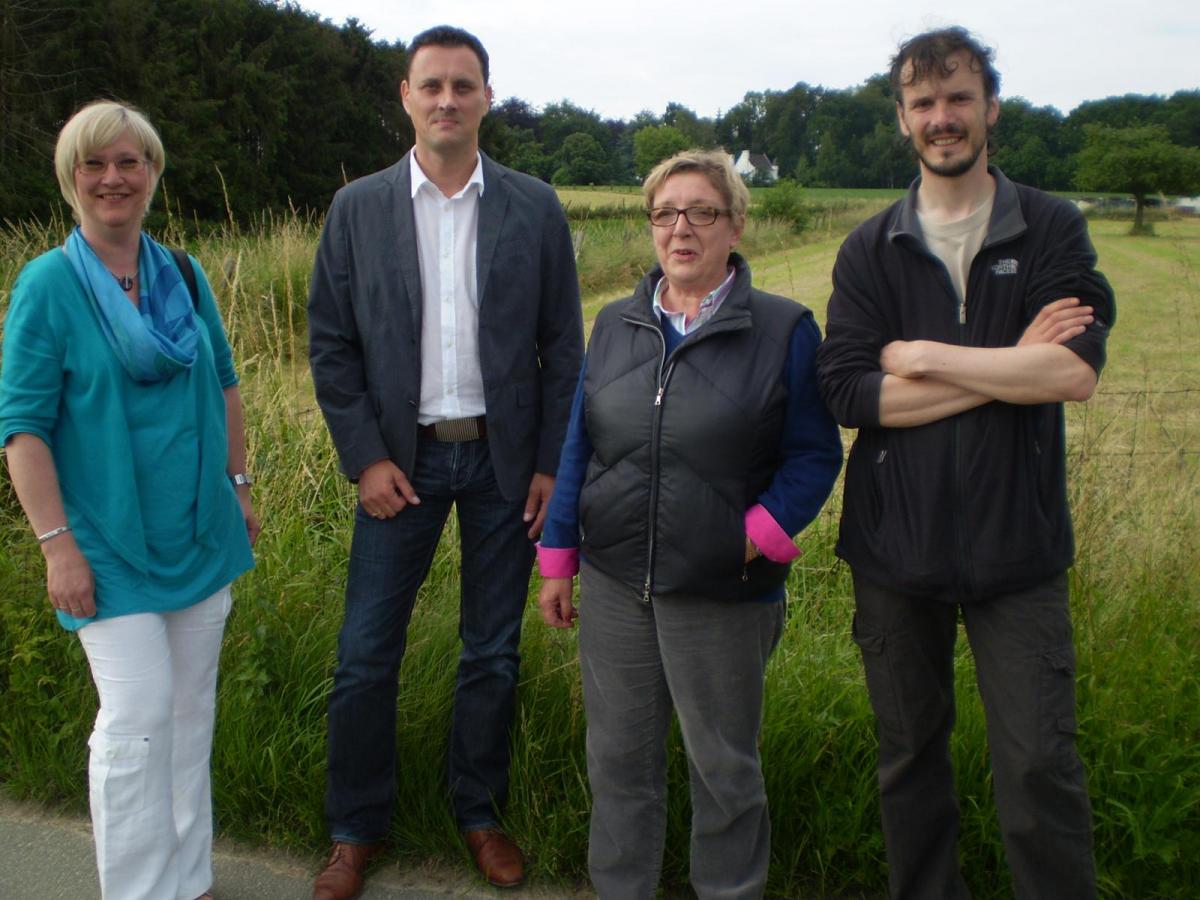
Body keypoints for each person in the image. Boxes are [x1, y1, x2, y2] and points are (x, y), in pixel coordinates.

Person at [815, 27, 1115, 900]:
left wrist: (921, 353)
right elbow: (849, 395)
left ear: (989, 107)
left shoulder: (1050, 225)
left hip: (1017, 550)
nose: (941, 118)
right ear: (903, 119)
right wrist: (1002, 366)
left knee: (1037, 769)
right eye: (923, 103)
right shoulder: (871, 248)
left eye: (957, 98)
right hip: (892, 552)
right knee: (909, 762)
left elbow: (1071, 372)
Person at [306, 24, 584, 897]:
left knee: (491, 652)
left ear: (487, 99)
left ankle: (478, 812)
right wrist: (364, 460)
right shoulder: (358, 208)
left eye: (464, 86)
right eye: (432, 85)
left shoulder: (533, 206)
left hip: (505, 471)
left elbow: (562, 348)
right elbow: (331, 346)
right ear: (406, 95)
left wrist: (548, 464)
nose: (447, 100)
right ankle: (356, 830)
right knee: (363, 657)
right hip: (401, 467)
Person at [537, 149, 843, 899]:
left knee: (724, 770)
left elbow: (814, 455)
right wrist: (557, 556)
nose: (681, 229)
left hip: (722, 589)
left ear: (735, 225)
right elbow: (581, 443)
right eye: (665, 213)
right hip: (613, 586)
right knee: (618, 762)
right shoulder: (614, 324)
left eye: (701, 212)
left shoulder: (784, 330)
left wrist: (758, 536)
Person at [0, 100, 258, 900]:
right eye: (94, 164)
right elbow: (23, 428)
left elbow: (224, 384)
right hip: (106, 546)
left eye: (129, 162)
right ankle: (141, 891)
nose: (113, 178)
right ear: (71, 179)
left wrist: (240, 488)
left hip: (198, 530)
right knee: (137, 723)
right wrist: (56, 544)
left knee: (189, 717)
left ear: (152, 174)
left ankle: (191, 879)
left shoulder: (180, 272)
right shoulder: (47, 285)